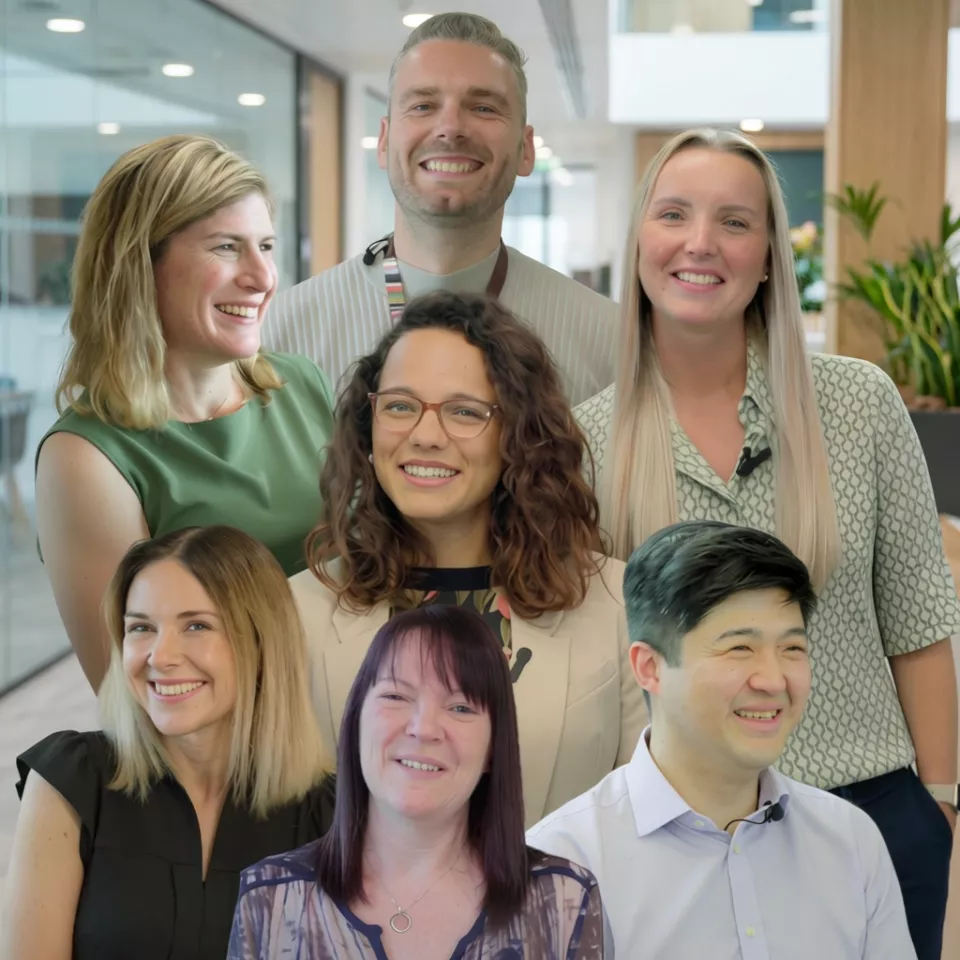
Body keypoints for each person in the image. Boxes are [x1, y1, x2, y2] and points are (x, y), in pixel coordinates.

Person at [574, 127, 959, 960]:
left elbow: (922, 624)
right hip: (682, 834)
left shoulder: (859, 404)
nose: (700, 243)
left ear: (770, 257)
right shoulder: (586, 444)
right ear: (640, 239)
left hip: (874, 812)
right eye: (673, 214)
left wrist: (941, 805)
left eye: (735, 222)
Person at [290, 290, 645, 826]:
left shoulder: (621, 606)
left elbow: (639, 824)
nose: (425, 436)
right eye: (401, 406)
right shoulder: (295, 612)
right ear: (367, 428)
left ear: (518, 436)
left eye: (464, 412)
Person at [528, 521, 916, 959]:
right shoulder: (563, 863)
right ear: (649, 667)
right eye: (739, 649)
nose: (773, 680)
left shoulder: (850, 841)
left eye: (792, 648)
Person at [35, 134, 336, 690]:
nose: (263, 277)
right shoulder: (88, 457)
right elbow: (137, 695)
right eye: (227, 247)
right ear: (139, 264)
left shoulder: (305, 386)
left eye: (266, 246)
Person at [1, 526, 334, 960]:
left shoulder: (326, 816)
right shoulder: (73, 780)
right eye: (141, 628)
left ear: (261, 639)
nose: (161, 656)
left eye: (196, 625)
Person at [264, 12, 617, 405]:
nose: (450, 127)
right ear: (384, 141)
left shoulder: (607, 344)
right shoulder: (282, 336)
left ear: (526, 149)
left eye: (483, 107)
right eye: (423, 106)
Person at [228, 604, 603, 959]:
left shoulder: (564, 900)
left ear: (493, 747)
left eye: (460, 707)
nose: (423, 729)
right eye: (395, 696)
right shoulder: (271, 897)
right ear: (357, 722)